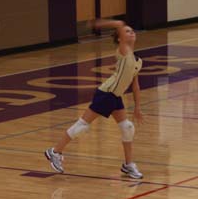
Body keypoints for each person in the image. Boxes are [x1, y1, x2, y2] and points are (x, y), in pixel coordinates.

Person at [44, 19, 144, 179]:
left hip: (115, 96)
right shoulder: (124, 50)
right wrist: (101, 24)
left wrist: (138, 107)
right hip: (106, 94)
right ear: (120, 38)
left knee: (127, 128)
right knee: (82, 126)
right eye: (127, 31)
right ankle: (54, 152)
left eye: (132, 30)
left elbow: (135, 86)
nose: (131, 32)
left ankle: (128, 165)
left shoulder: (138, 61)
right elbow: (118, 24)